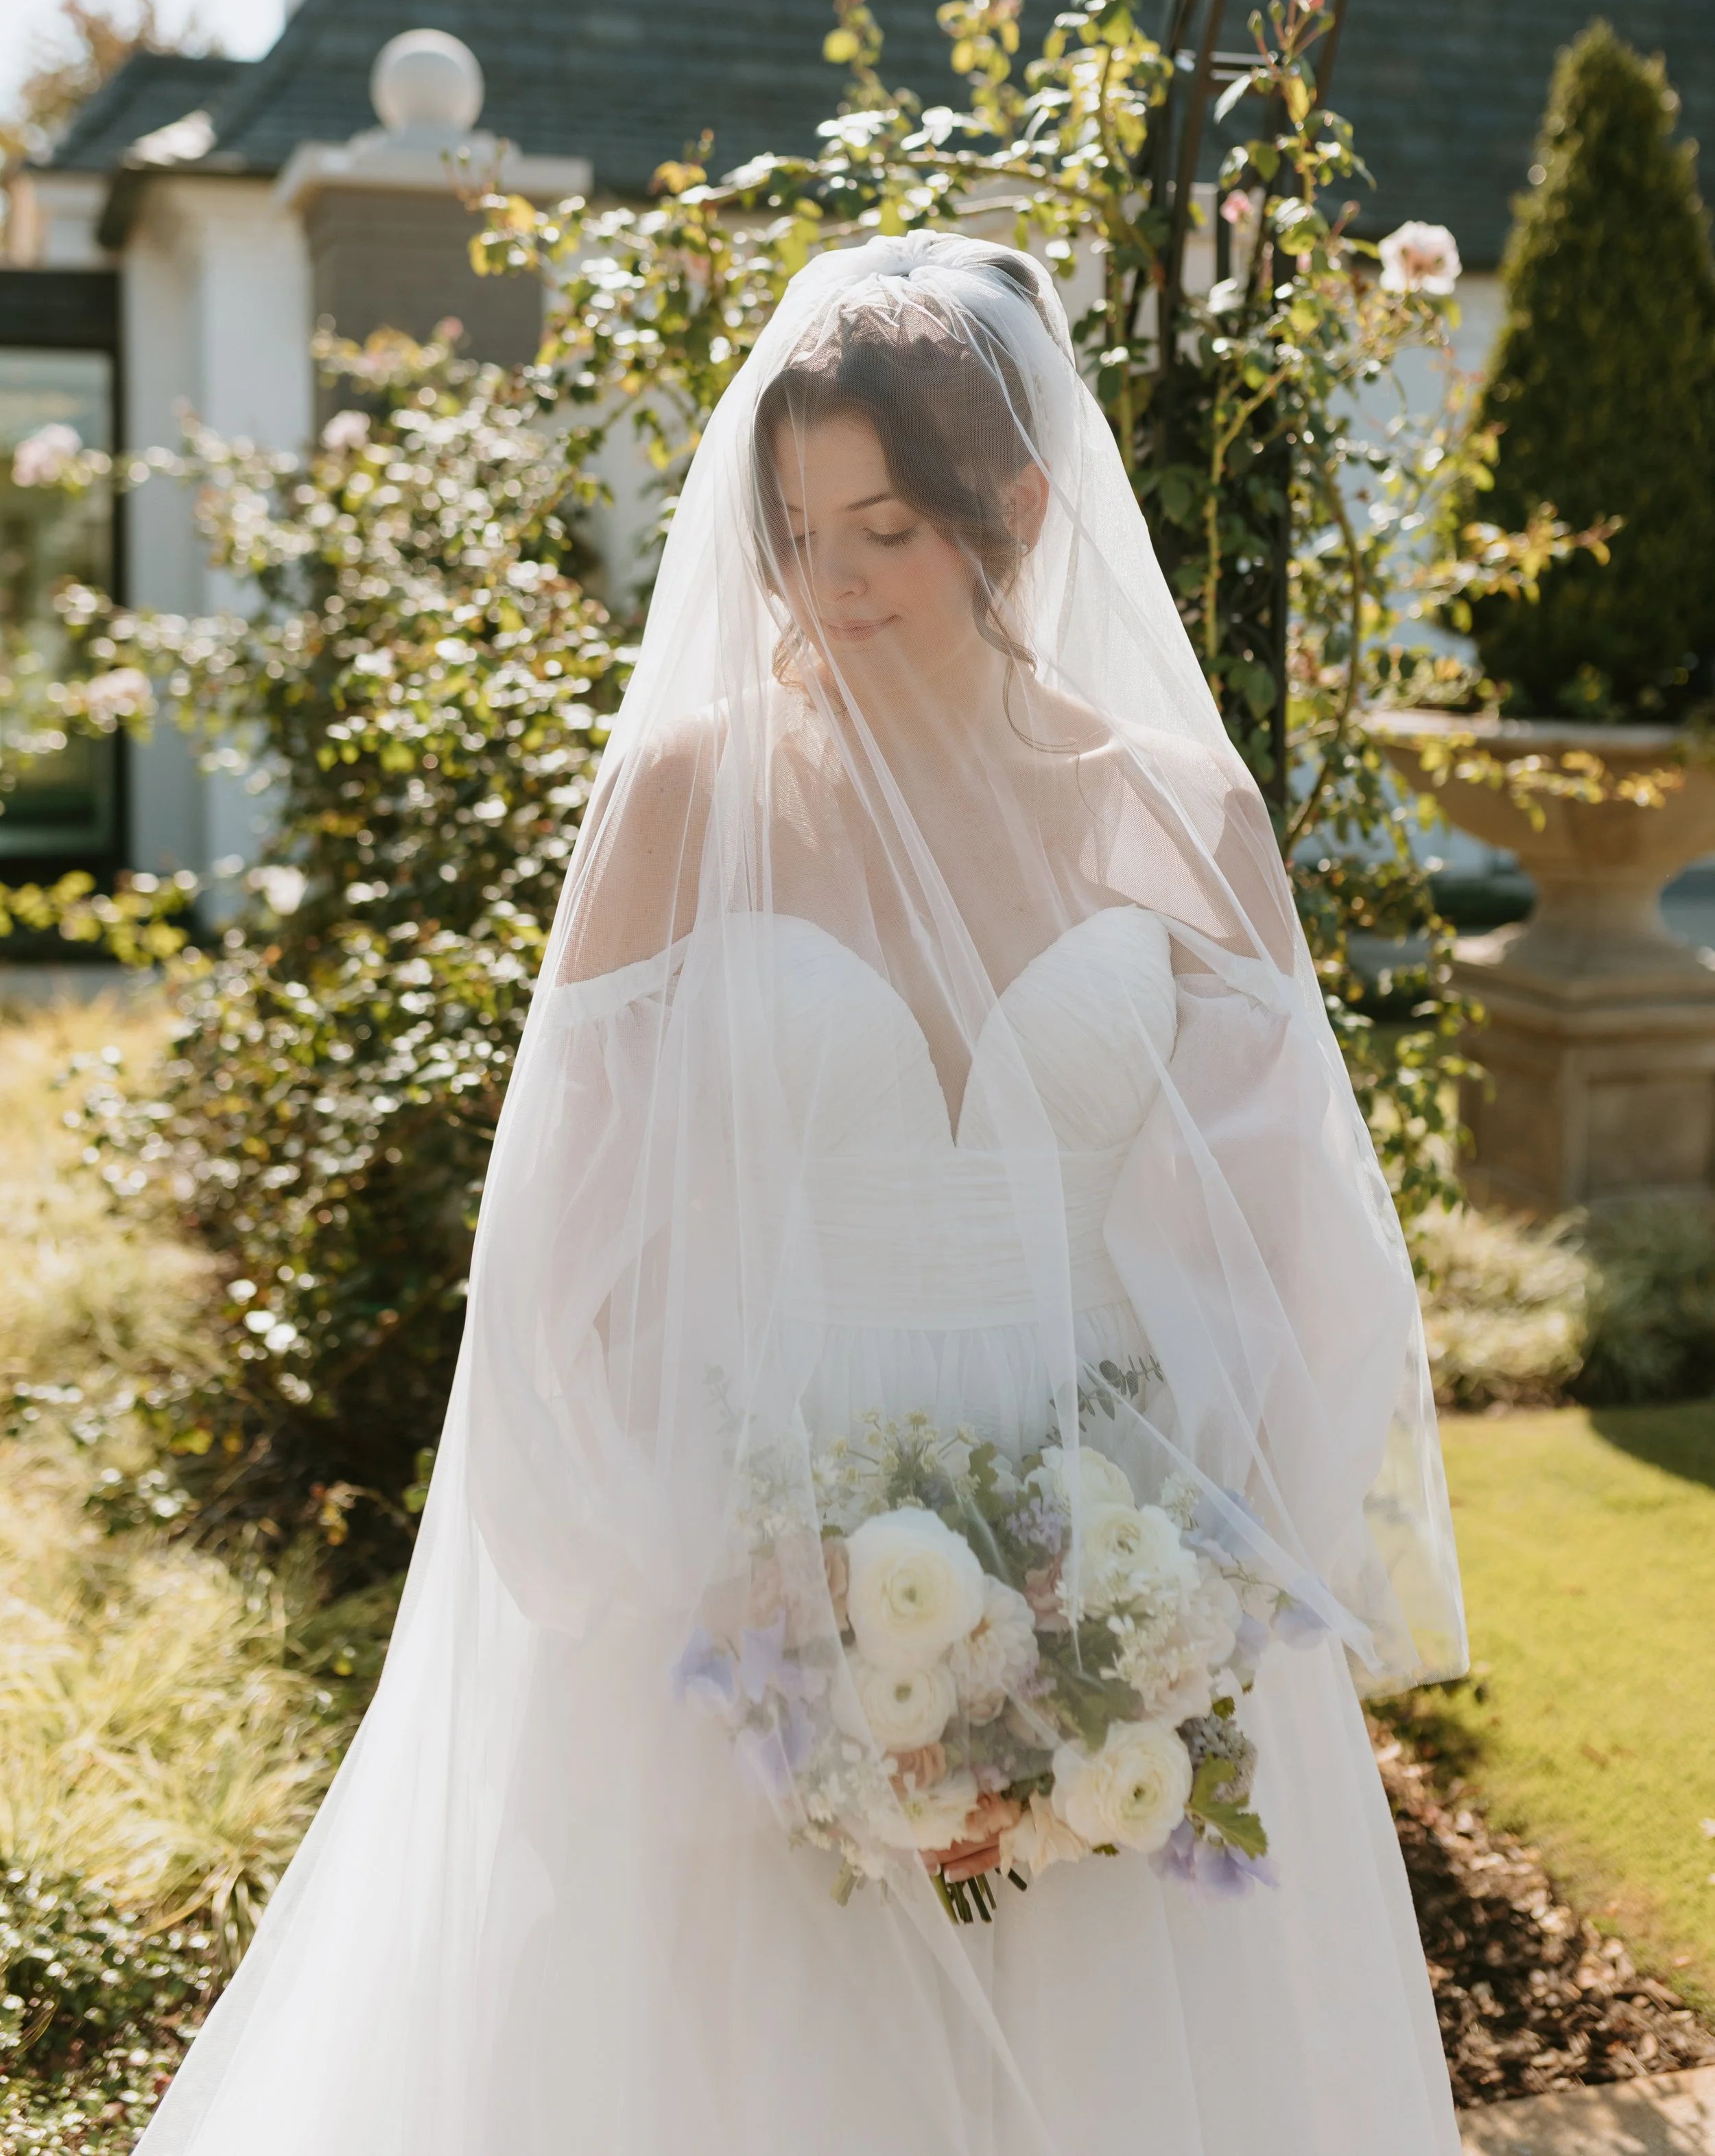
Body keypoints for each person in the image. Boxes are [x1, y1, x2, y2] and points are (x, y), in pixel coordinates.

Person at [140, 233, 1466, 2156]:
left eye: (884, 534)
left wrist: (1159, 1597)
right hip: (742, 1574)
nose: (827, 587)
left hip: (1097, 1560)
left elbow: (1289, 1260)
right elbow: (558, 1255)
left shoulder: (1179, 814)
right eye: (794, 533)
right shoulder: (691, 799)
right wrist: (699, 1582)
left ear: (1011, 509)